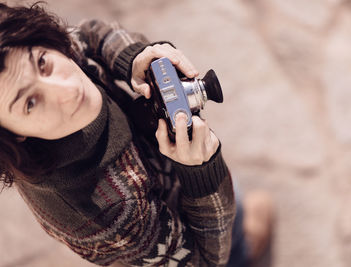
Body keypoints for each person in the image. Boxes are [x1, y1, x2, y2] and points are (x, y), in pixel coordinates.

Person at [0, 2, 272, 266]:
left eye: (43, 63)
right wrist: (203, 176)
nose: (68, 90)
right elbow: (203, 261)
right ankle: (245, 244)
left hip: (169, 176)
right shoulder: (108, 214)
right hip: (183, 223)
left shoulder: (38, 50)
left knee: (234, 199)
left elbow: (87, 35)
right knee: (241, 231)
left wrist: (133, 57)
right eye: (30, 103)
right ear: (12, 136)